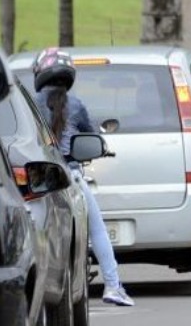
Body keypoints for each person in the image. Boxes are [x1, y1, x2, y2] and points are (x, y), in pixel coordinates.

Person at [32, 47, 135, 307]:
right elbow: (92, 138)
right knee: (97, 231)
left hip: (39, 178)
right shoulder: (76, 105)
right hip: (71, 177)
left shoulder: (29, 105)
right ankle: (113, 286)